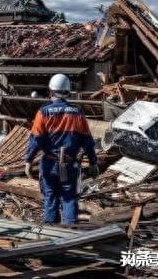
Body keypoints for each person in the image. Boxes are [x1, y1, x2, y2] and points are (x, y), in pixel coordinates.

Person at [25, 74, 99, 225]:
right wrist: (93, 162)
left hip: (49, 164)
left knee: (50, 197)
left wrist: (28, 160)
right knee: (69, 197)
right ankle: (70, 234)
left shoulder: (43, 112)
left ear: (51, 92)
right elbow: (87, 140)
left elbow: (36, 139)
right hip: (70, 164)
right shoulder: (77, 112)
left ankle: (51, 234)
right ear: (68, 92)